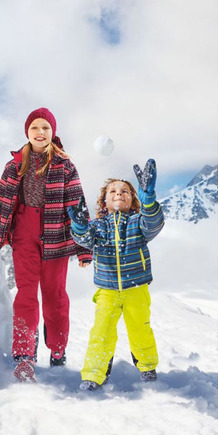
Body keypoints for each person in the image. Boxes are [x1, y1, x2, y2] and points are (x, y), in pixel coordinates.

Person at [0, 107, 92, 382]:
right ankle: (24, 354)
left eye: (46, 128)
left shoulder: (64, 165)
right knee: (25, 294)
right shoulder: (14, 164)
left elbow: (77, 205)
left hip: (56, 234)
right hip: (24, 233)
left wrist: (84, 248)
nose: (40, 132)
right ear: (28, 132)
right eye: (35, 127)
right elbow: (2, 203)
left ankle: (58, 348)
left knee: (54, 295)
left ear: (52, 132)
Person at [67, 159, 165, 391]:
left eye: (125, 191)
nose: (118, 193)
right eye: (113, 191)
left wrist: (149, 199)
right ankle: (94, 374)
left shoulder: (137, 222)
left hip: (136, 289)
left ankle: (147, 367)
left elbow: (154, 223)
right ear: (104, 201)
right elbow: (83, 240)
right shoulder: (98, 226)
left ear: (133, 200)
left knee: (140, 329)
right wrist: (80, 225)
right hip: (107, 291)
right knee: (101, 331)